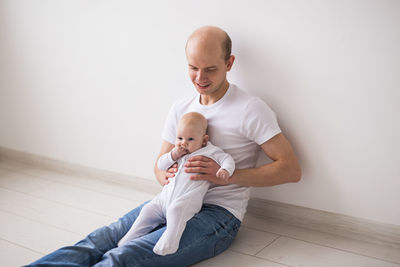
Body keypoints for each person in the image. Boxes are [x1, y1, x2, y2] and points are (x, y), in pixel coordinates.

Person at [26, 26, 301, 267]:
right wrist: (166, 175)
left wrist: (224, 174)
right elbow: (159, 166)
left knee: (123, 256)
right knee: (100, 240)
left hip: (219, 216)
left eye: (211, 69)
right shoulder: (181, 108)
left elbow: (290, 170)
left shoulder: (251, 109)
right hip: (170, 200)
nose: (200, 78)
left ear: (229, 63)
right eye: (193, 68)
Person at [118, 112, 235, 256]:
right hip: (164, 199)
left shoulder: (210, 152)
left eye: (190, 139)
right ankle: (131, 236)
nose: (183, 143)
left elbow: (227, 159)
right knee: (148, 209)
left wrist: (225, 170)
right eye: (179, 138)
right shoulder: (176, 153)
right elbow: (161, 164)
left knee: (176, 210)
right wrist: (173, 155)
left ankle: (170, 242)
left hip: (186, 199)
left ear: (204, 140)